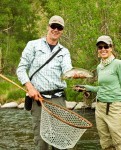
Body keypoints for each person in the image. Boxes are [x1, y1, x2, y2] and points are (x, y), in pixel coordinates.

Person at [16, 15, 73, 150]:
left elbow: (67, 71)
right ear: (48, 27)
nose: (56, 29)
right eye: (53, 26)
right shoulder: (33, 45)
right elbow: (21, 69)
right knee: (42, 142)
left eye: (59, 27)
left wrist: (74, 75)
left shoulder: (64, 52)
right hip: (38, 100)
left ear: (62, 30)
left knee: (60, 141)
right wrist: (29, 87)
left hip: (59, 100)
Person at [74, 35, 121, 150]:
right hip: (100, 109)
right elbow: (101, 88)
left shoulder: (118, 64)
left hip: (115, 109)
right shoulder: (99, 67)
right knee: (106, 144)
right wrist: (85, 87)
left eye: (106, 46)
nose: (103, 49)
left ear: (111, 48)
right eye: (100, 47)